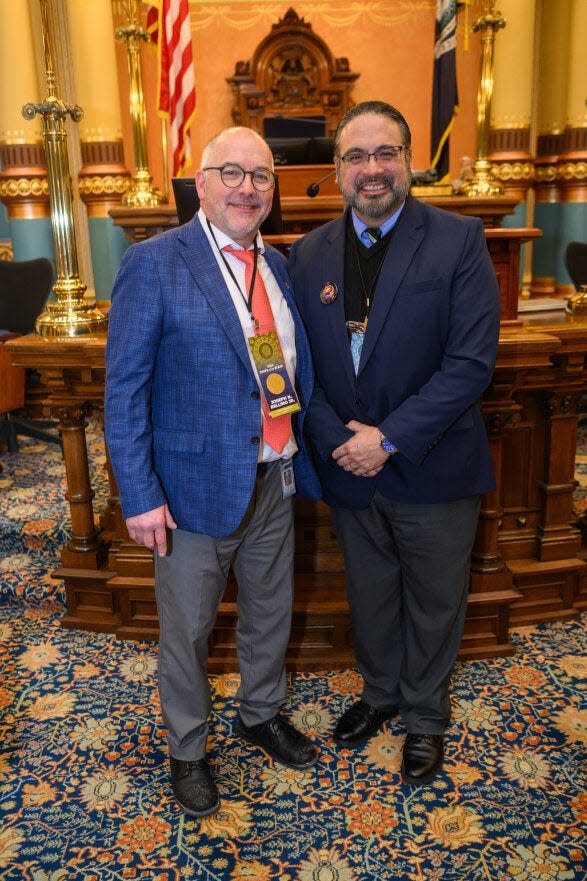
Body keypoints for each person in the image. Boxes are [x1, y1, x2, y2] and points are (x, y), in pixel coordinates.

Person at [105, 126, 321, 818]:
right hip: (191, 492)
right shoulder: (155, 262)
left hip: (273, 479)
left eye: (260, 176)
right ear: (199, 183)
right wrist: (138, 494)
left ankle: (259, 713)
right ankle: (188, 749)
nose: (246, 187)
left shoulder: (277, 264)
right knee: (188, 631)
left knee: (268, 614)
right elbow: (125, 389)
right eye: (231, 172)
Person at [289, 101, 500, 785]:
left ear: (409, 160)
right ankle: (380, 694)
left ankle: (425, 717)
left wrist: (388, 438)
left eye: (386, 153)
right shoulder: (306, 252)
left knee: (435, 599)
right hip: (349, 466)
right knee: (370, 593)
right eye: (356, 157)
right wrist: (339, 441)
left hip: (431, 462)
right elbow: (298, 370)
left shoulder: (458, 239)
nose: (371, 169)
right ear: (336, 169)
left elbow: (470, 363)